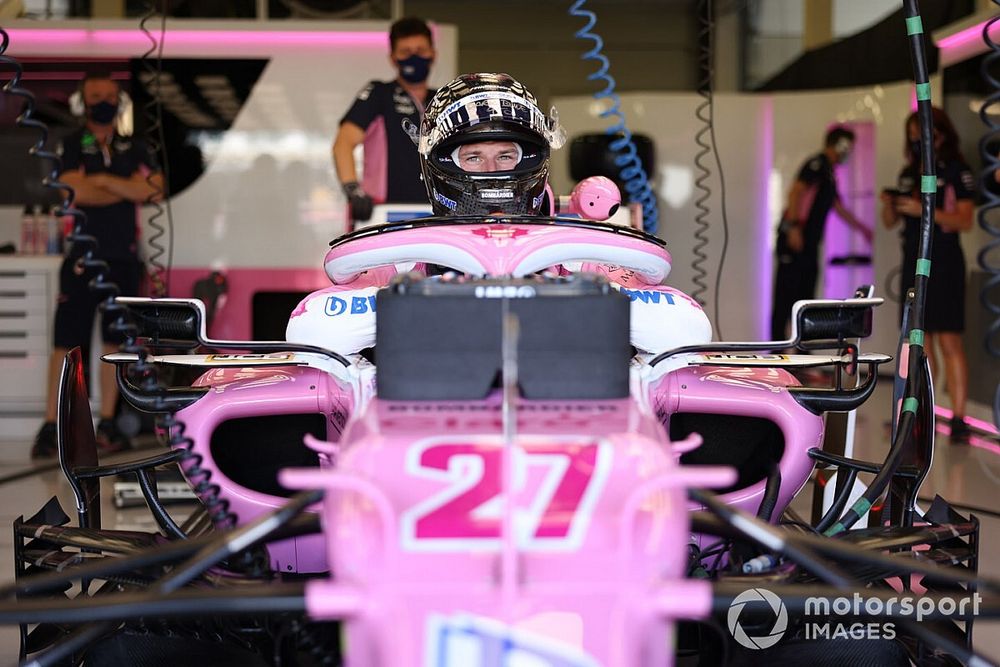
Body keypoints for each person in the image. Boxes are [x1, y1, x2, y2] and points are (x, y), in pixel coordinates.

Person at [31, 72, 163, 459]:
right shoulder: (73, 143)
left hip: (123, 258)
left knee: (114, 342)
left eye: (109, 95)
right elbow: (72, 190)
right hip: (81, 258)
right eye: (95, 95)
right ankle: (51, 425)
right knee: (65, 343)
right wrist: (124, 189)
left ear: (118, 101)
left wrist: (102, 181)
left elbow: (154, 188)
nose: (102, 101)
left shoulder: (134, 146)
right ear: (83, 101)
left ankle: (108, 423)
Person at [881, 107, 974, 441]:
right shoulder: (908, 173)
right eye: (913, 133)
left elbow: (965, 220)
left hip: (945, 261)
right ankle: (927, 413)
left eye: (924, 131)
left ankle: (959, 418)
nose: (918, 138)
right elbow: (890, 223)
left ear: (941, 133)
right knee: (920, 342)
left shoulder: (956, 171)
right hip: (913, 261)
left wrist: (925, 210)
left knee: (950, 339)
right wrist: (890, 204)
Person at [770, 126, 873, 342]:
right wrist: (794, 227)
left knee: (805, 301)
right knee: (784, 299)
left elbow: (838, 207)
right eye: (848, 147)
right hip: (795, 241)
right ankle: (777, 354)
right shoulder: (816, 165)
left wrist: (863, 229)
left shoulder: (829, 173)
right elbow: (796, 192)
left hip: (809, 245)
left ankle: (801, 355)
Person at [333, 16, 437, 224]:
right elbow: (343, 144)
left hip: (436, 211)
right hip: (382, 212)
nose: (414, 58)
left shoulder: (441, 99)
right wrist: (353, 190)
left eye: (421, 50)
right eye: (406, 52)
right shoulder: (379, 93)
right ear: (392, 58)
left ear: (433, 53)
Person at [417, 72, 564, 216]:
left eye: (505, 157)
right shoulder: (414, 240)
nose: (491, 170)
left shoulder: (564, 239)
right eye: (473, 158)